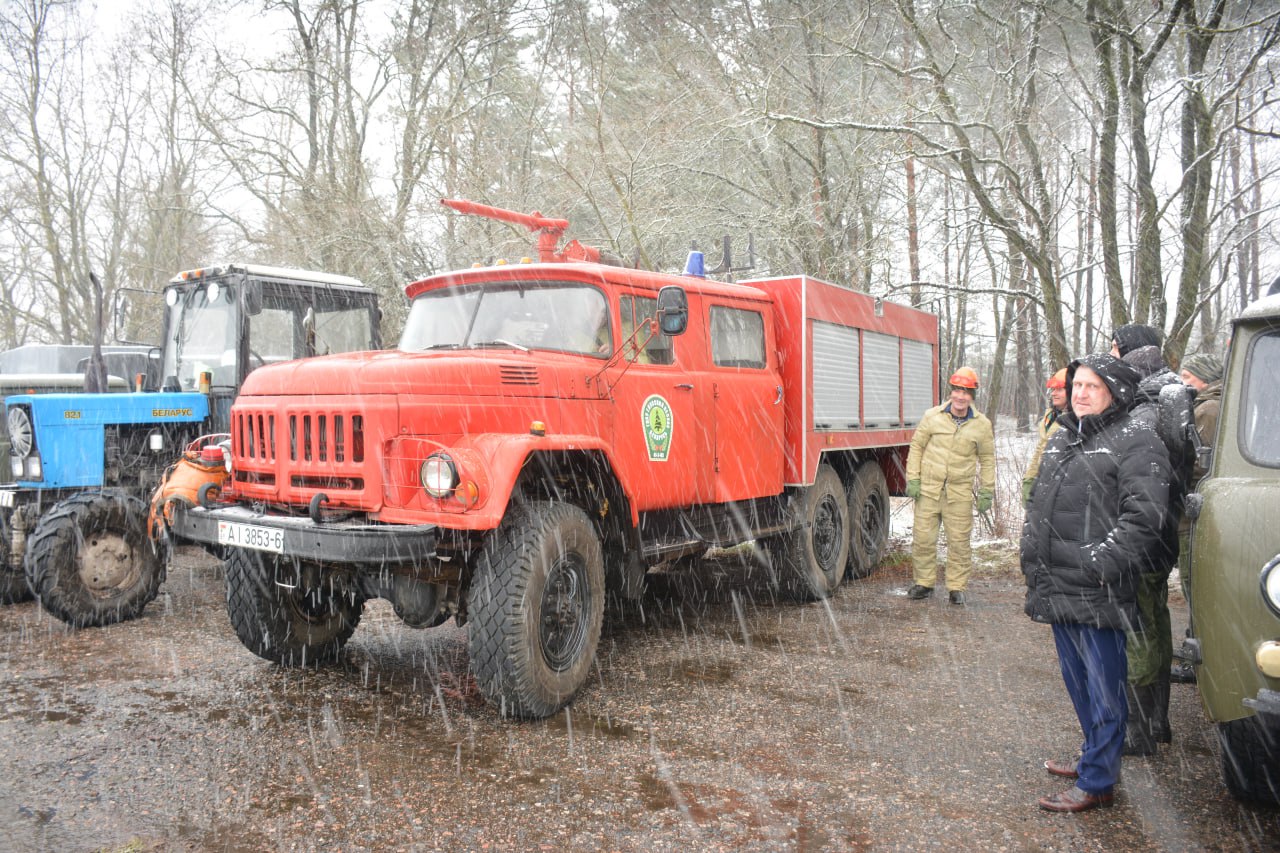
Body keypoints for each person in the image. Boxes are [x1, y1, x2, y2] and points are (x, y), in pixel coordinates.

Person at [1023, 353, 1172, 813]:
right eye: (1078, 386)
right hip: (1058, 583)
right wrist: (1031, 552)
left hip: (1097, 586)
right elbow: (1041, 501)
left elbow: (1145, 516)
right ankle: (1094, 758)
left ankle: (1099, 780)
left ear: (1116, 392)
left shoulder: (1136, 439)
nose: (1081, 394)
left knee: (1106, 688)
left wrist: (1101, 563)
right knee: (1078, 684)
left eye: (1092, 386)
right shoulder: (1066, 435)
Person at [1117, 340, 1189, 755]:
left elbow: (1138, 483)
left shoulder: (1145, 412)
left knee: (1138, 627)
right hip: (1163, 534)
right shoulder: (1171, 401)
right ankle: (1156, 721)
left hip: (1146, 537)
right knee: (1155, 621)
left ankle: (1139, 730)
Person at [905, 366, 996, 606]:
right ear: (951, 391)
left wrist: (987, 490)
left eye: (966, 392)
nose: (960, 396)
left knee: (959, 542)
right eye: (957, 390)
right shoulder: (932, 416)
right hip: (929, 490)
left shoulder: (981, 425)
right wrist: (913, 477)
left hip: (959, 493)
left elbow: (987, 459)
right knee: (923, 539)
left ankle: (957, 587)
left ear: (972, 395)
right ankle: (924, 583)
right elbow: (916, 447)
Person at [1171, 351, 1224, 683]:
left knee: (1195, 586)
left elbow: (1199, 463)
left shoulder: (1208, 409)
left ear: (1204, 379)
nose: (1182, 382)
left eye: (1188, 377)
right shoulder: (1210, 405)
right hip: (1195, 509)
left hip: (1196, 512)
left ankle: (1199, 660)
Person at [1023, 368, 1068, 506]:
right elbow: (1040, 449)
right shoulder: (1049, 416)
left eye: (1059, 389)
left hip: (1061, 487)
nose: (1054, 393)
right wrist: (1029, 478)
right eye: (1053, 390)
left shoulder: (1076, 421)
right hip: (1041, 480)